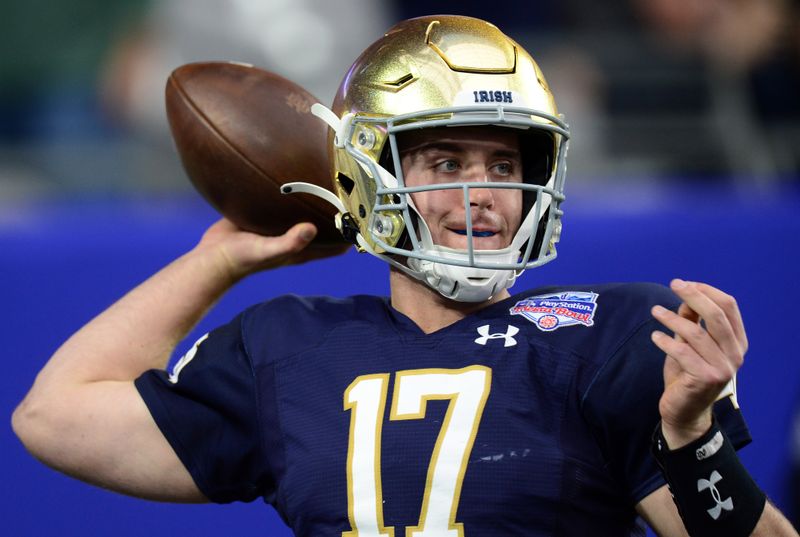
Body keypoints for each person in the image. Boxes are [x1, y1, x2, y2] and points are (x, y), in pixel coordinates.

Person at [11, 14, 798, 537]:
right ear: (369, 175)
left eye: (503, 162)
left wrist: (692, 444)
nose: (482, 193)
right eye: (446, 161)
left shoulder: (610, 334)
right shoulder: (290, 348)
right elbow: (53, 414)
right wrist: (215, 260)